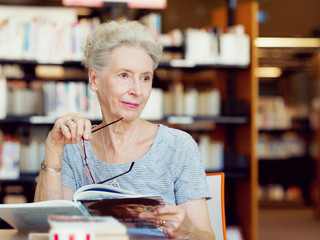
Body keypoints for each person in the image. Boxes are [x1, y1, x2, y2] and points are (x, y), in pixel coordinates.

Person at [34, 19, 214, 240]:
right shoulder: (73, 147)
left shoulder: (178, 147)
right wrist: (54, 148)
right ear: (94, 79)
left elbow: (207, 237)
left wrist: (189, 232)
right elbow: (46, 229)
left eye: (145, 78)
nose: (137, 90)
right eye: (124, 75)